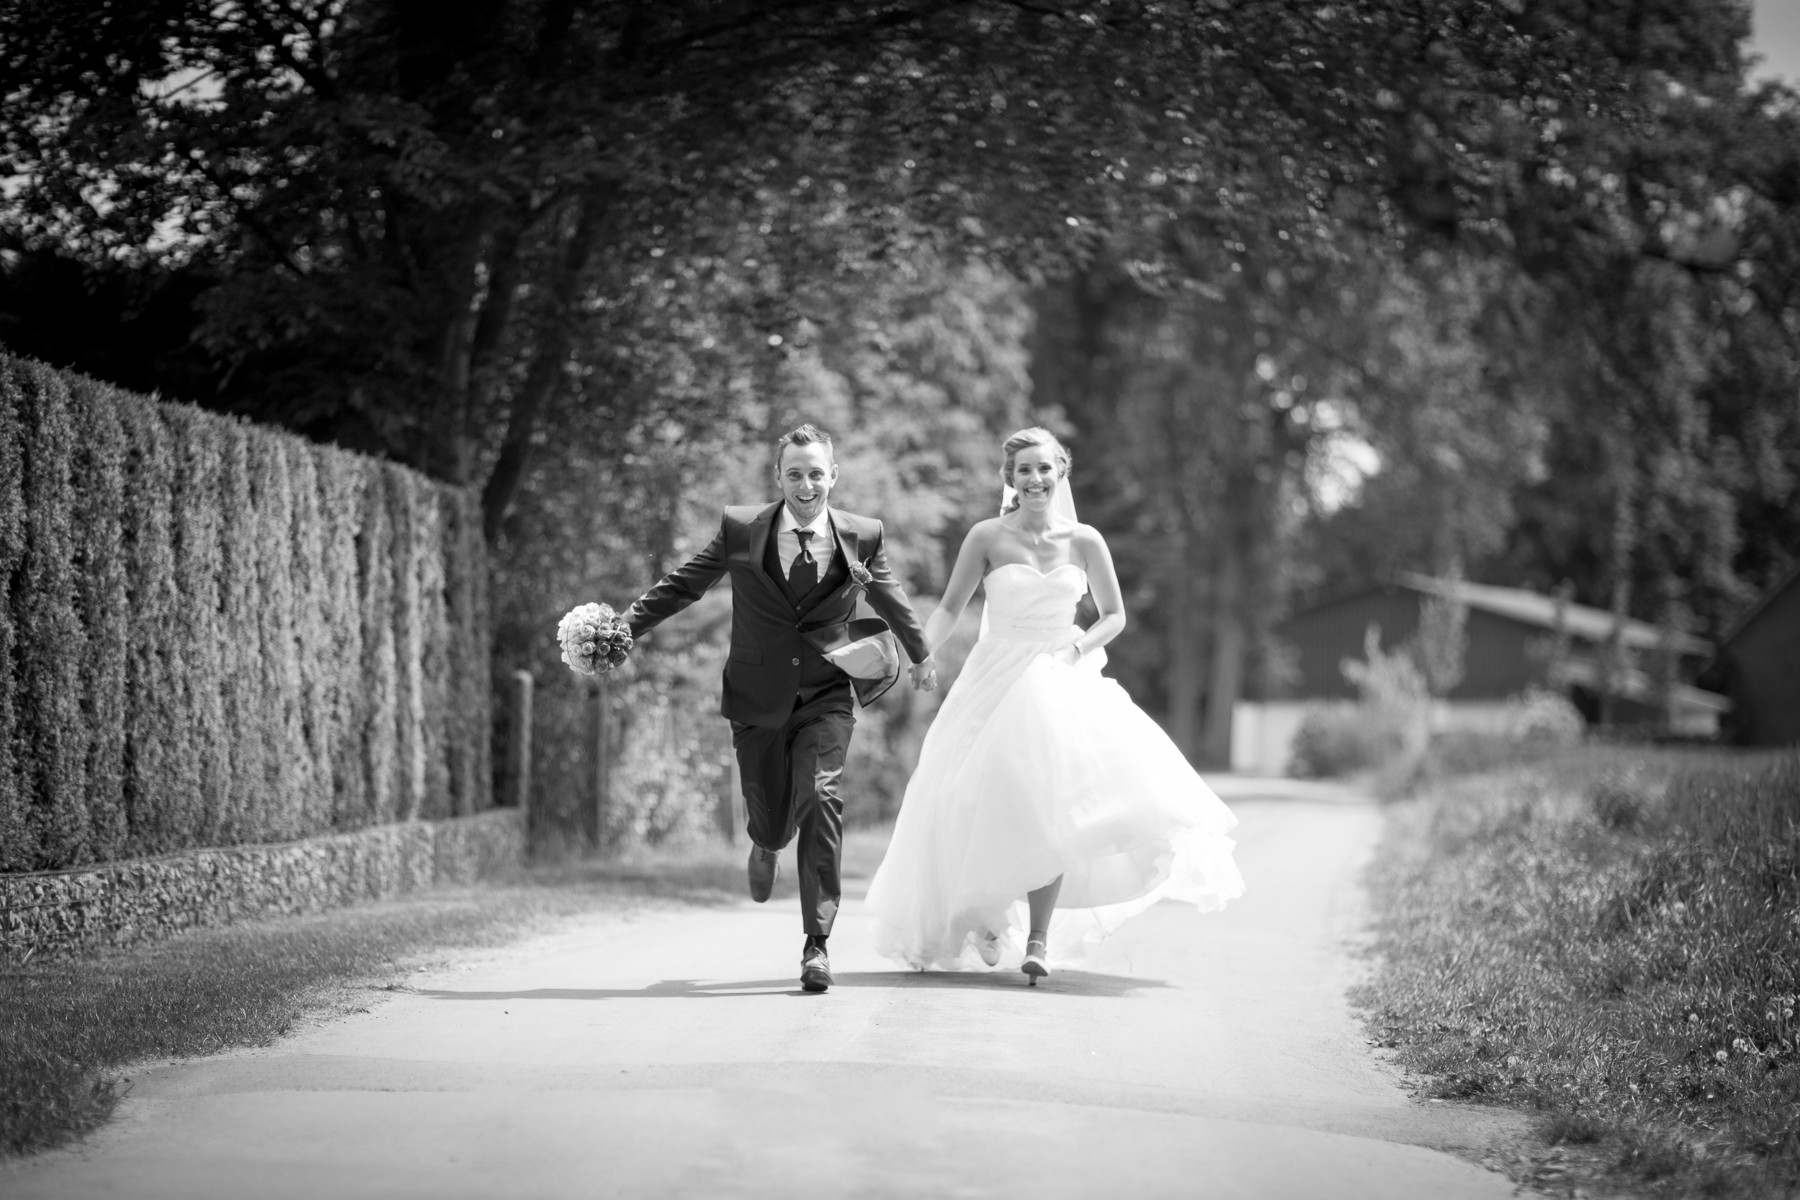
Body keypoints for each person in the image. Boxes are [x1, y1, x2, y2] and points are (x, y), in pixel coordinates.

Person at [865, 427, 1244, 983]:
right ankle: (984, 912)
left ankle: (1038, 940)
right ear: (1010, 479)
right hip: (995, 678)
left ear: (1061, 472)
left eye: (1045, 468)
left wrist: (1076, 649)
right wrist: (921, 654)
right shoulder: (986, 537)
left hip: (1060, 675)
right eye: (1024, 470)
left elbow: (1114, 615)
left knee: (1052, 803)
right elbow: (948, 608)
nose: (1035, 478)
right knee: (961, 797)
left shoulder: (1085, 540)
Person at [624, 424, 935, 993]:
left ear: (833, 475)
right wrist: (625, 628)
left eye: (816, 473)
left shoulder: (863, 534)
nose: (806, 485)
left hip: (826, 693)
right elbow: (685, 585)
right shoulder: (741, 528)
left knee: (821, 796)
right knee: (770, 817)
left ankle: (817, 945)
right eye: (795, 474)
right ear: (778, 477)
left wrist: (921, 653)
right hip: (757, 694)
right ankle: (766, 842)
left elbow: (888, 593)